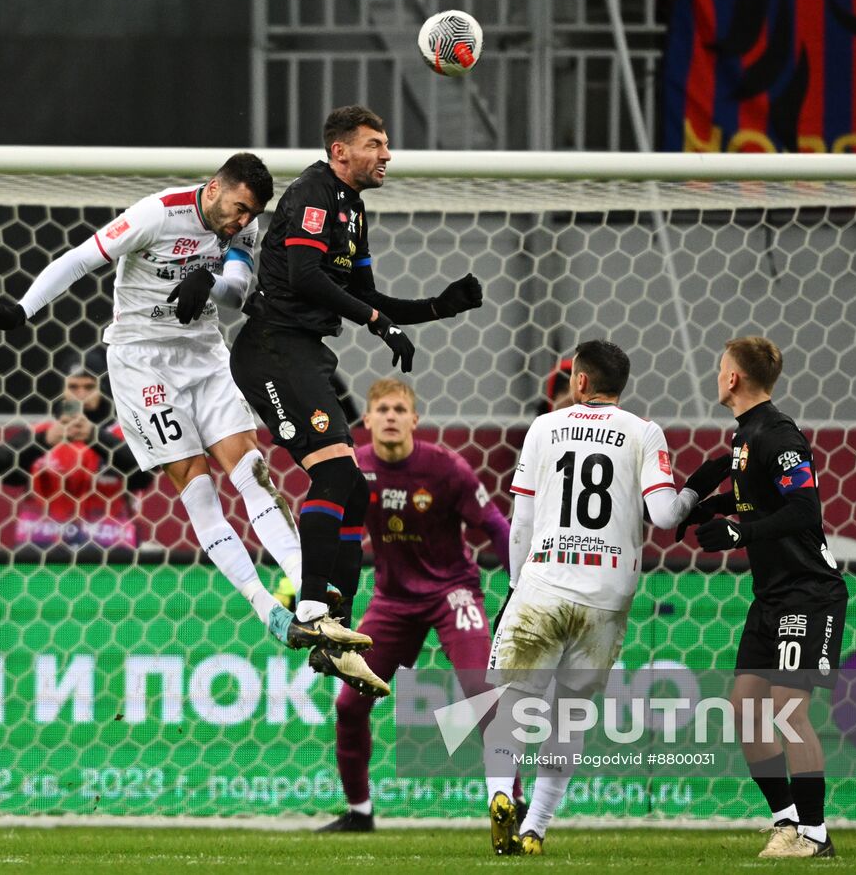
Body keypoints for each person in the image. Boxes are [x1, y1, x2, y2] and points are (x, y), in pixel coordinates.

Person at [0, 153, 372, 669]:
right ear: (214, 188)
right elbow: (79, 259)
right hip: (143, 363)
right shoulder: (157, 214)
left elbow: (236, 287)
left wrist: (209, 284)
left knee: (252, 469)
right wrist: (24, 309)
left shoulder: (241, 230)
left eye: (252, 214)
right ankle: (262, 603)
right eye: (239, 208)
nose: (243, 221)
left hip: (204, 356)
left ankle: (308, 598)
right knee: (199, 489)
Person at [229, 104, 484, 693]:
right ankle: (314, 610)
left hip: (304, 353)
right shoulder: (313, 195)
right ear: (340, 150)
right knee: (338, 474)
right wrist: (376, 321)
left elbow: (365, 293)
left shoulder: (353, 208)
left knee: (356, 490)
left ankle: (333, 636)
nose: (387, 155)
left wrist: (437, 308)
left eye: (387, 144)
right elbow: (306, 277)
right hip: (273, 349)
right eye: (375, 144)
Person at [482, 340, 699, 856]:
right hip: (607, 595)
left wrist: (515, 589)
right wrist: (694, 493)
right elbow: (666, 517)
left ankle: (498, 796)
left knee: (512, 707)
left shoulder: (544, 428)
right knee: (569, 714)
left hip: (544, 584)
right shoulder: (644, 432)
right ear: (620, 385)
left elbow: (522, 526)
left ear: (579, 381)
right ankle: (536, 826)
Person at [317, 378, 513, 833]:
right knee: (348, 705)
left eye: (399, 409)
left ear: (414, 420)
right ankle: (359, 813)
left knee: (482, 691)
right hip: (393, 600)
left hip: (453, 593)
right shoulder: (354, 468)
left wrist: (521, 585)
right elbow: (327, 534)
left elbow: (497, 528)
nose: (390, 416)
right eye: (382, 409)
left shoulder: (446, 469)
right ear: (367, 420)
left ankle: (512, 805)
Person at [682, 336, 847, 860]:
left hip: (809, 593)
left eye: (720, 367)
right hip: (771, 597)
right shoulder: (746, 436)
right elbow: (755, 489)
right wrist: (710, 505)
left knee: (787, 712)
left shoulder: (779, 434)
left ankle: (816, 837)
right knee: (746, 709)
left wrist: (738, 534)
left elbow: (805, 508)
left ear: (733, 379)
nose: (717, 375)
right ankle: (786, 822)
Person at [0, 360, 153, 548]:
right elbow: (3, 467)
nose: (81, 394)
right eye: (73, 387)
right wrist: (44, 440)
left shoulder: (121, 435)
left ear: (104, 390)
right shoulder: (41, 432)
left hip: (109, 542)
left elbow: (143, 478)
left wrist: (94, 437)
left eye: (89, 387)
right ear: (63, 390)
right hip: (42, 542)